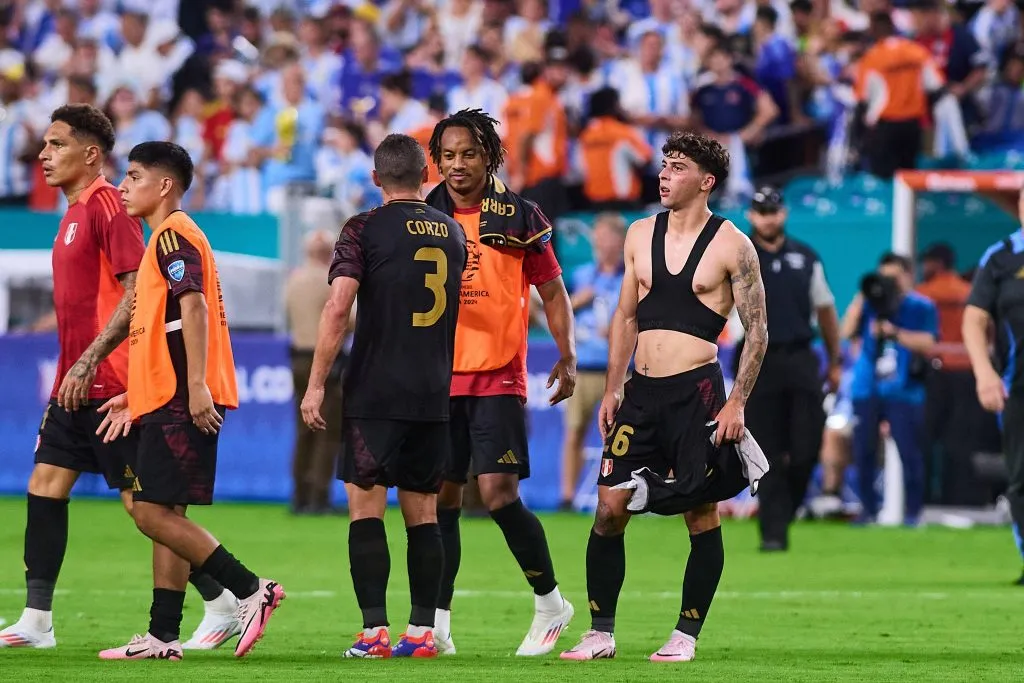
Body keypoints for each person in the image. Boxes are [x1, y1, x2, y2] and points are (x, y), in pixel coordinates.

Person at [0, 105, 230, 651]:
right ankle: (36, 621)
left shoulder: (109, 207)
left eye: (55, 145)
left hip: (110, 383)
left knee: (147, 507)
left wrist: (94, 364)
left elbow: (137, 293)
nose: (43, 155)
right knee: (45, 485)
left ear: (89, 154)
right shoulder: (75, 211)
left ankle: (224, 597)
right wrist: (69, 369)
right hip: (73, 384)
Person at [560, 130, 769, 663]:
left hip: (696, 393)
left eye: (677, 167)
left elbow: (758, 331)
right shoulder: (637, 234)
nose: (665, 174)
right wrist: (612, 387)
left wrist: (737, 402)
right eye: (664, 164)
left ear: (706, 181)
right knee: (608, 508)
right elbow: (625, 314)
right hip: (640, 393)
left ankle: (685, 634)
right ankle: (600, 632)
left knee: (701, 514)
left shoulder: (733, 245)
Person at [95, 141, 285, 660]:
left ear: (164, 186)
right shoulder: (171, 236)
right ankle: (162, 635)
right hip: (167, 393)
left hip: (181, 397)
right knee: (165, 514)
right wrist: (138, 394)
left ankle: (250, 590)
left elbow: (194, 307)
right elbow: (169, 328)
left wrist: (196, 386)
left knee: (150, 513)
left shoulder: (174, 235)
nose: (122, 186)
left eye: (132, 176)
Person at [300, 133, 468, 659]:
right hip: (433, 390)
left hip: (376, 388)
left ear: (375, 179)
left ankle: (373, 631)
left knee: (365, 507)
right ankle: (421, 633)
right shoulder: (453, 232)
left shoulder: (363, 228)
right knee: (423, 511)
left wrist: (316, 382)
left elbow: (337, 307)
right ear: (427, 176)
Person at [425, 109, 577, 656]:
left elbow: (553, 291)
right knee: (439, 499)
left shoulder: (519, 215)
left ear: (489, 155)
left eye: (468, 153)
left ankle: (550, 602)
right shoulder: (423, 215)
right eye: (447, 155)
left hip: (497, 374)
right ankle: (437, 624)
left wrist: (566, 354)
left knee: (496, 493)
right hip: (436, 380)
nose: (457, 164)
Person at [741, 186, 842, 551]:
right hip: (756, 360)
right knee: (765, 449)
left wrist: (834, 360)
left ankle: (786, 511)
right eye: (761, 212)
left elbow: (826, 310)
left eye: (774, 211)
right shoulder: (738, 254)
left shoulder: (805, 256)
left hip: (800, 356)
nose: (768, 218)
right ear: (751, 216)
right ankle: (772, 533)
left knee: (806, 446)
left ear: (783, 214)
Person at [846, 253, 937, 526]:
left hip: (904, 390)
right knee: (863, 451)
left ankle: (913, 513)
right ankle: (868, 511)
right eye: (884, 276)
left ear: (908, 276)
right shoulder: (869, 305)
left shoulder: (920, 306)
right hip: (867, 388)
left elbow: (928, 343)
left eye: (893, 277)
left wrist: (896, 333)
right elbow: (846, 331)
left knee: (910, 452)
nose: (888, 283)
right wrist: (864, 295)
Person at [963, 190, 1024, 584]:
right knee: (1022, 476)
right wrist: (984, 373)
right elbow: (974, 318)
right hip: (1019, 386)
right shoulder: (1001, 256)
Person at [560, 212, 627, 510]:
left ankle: (616, 494)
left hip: (617, 369)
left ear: (619, 240)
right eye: (596, 236)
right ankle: (567, 496)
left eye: (604, 236)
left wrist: (614, 328)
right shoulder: (582, 275)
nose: (598, 242)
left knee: (617, 438)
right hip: (583, 366)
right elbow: (557, 311)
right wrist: (577, 301)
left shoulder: (629, 278)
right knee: (574, 431)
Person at [285, 229, 346, 515]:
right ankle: (319, 496)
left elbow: (286, 317)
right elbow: (346, 318)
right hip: (324, 361)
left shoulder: (293, 281)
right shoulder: (330, 282)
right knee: (327, 430)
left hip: (297, 356)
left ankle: (300, 493)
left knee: (303, 430)